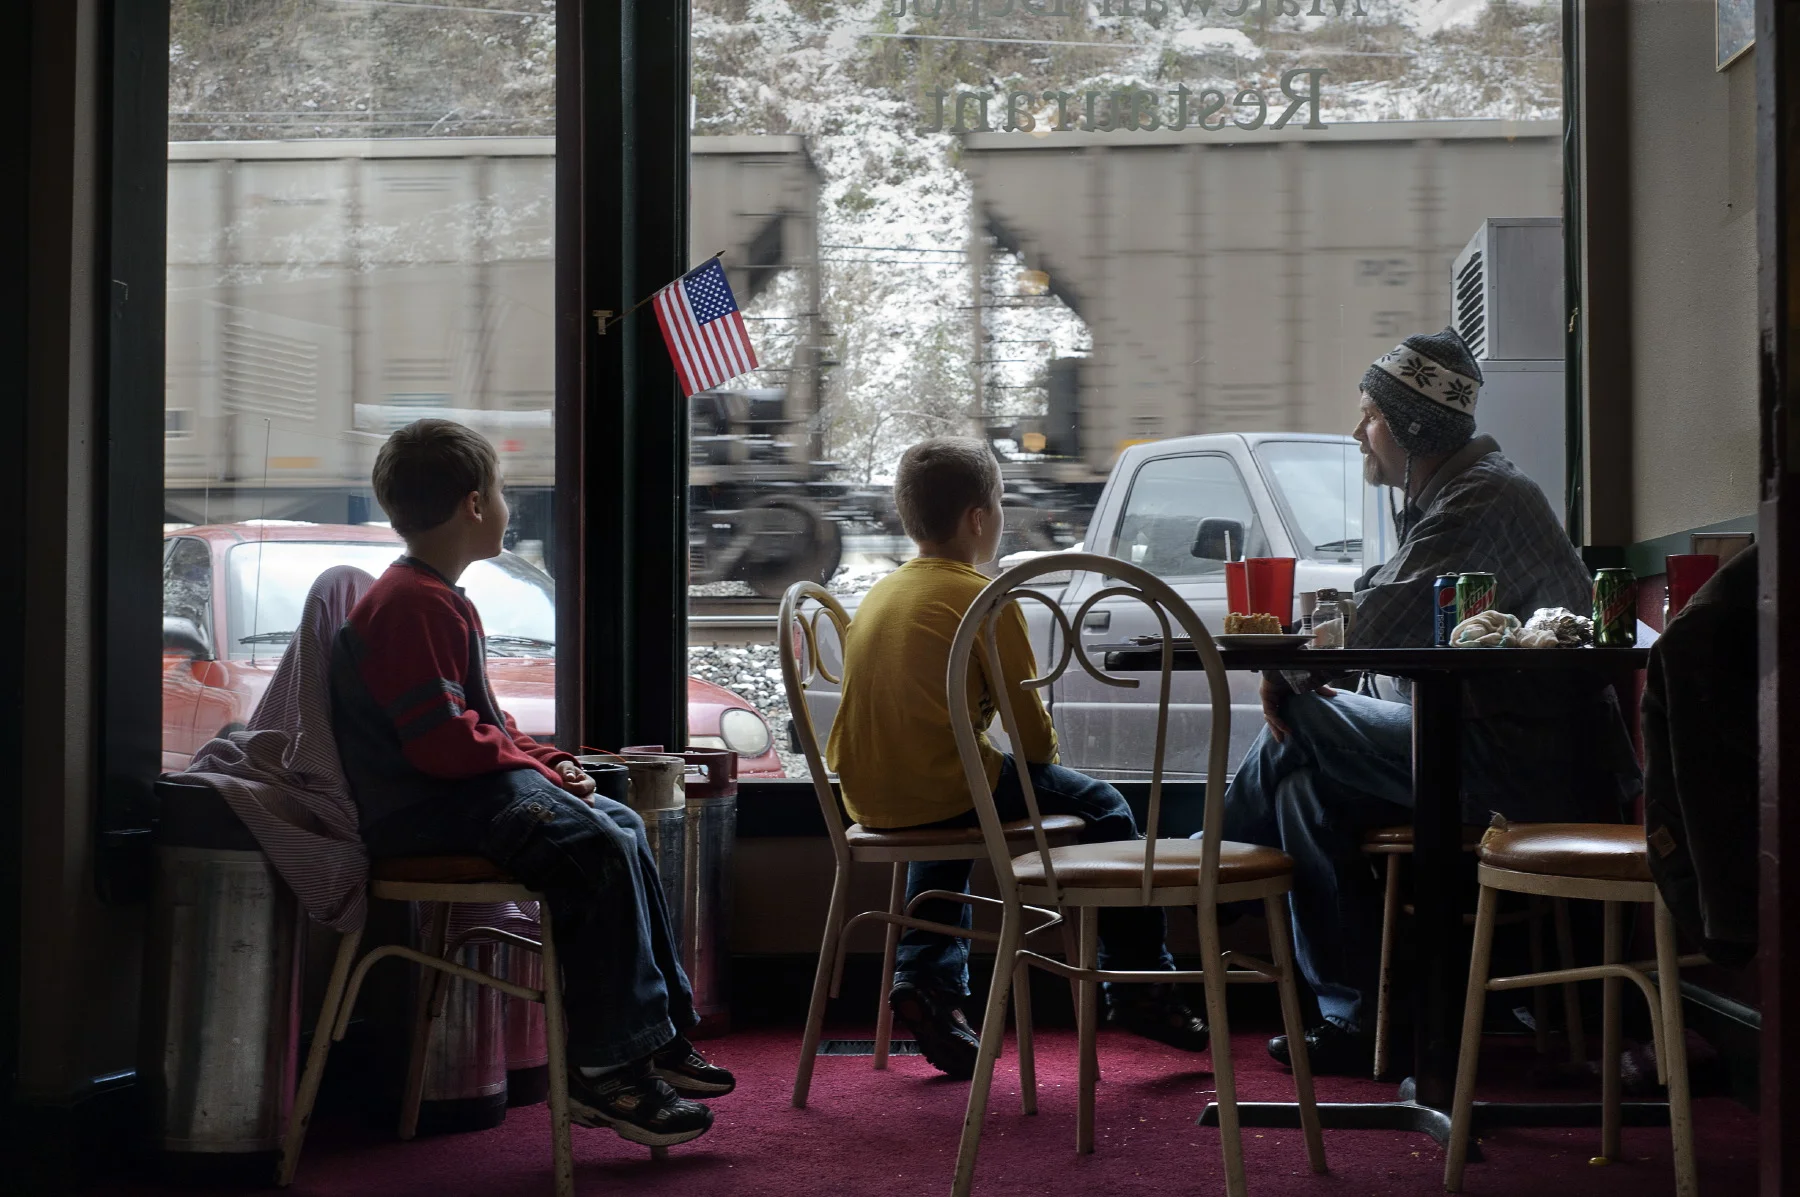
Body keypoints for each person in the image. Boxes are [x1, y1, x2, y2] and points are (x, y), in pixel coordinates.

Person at [1209, 328, 1640, 1075]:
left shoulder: (1484, 499)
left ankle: (1204, 872)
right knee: (1309, 787)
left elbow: (1376, 618)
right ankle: (1359, 1017)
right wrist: (1309, 665)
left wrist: (1292, 672)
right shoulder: (1458, 495)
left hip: (1521, 768)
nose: (1357, 433)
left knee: (1302, 723)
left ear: (1413, 429)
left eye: (1370, 415)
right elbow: (1384, 605)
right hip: (1477, 746)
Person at [330, 419, 733, 1148]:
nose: (512, 506)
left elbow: (478, 728)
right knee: (594, 845)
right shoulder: (411, 605)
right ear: (475, 505)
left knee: (621, 822)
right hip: (425, 811)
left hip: (456, 797)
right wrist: (532, 769)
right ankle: (605, 1068)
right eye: (506, 491)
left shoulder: (433, 596)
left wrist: (549, 764)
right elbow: (443, 748)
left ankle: (654, 1034)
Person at [825, 436, 1207, 1080]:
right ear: (980, 518)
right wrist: (1044, 757)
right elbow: (1030, 743)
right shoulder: (985, 599)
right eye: (1000, 504)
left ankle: (925, 982)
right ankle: (1140, 984)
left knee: (950, 813)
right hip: (942, 784)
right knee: (1106, 807)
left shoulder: (882, 594)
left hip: (866, 795)